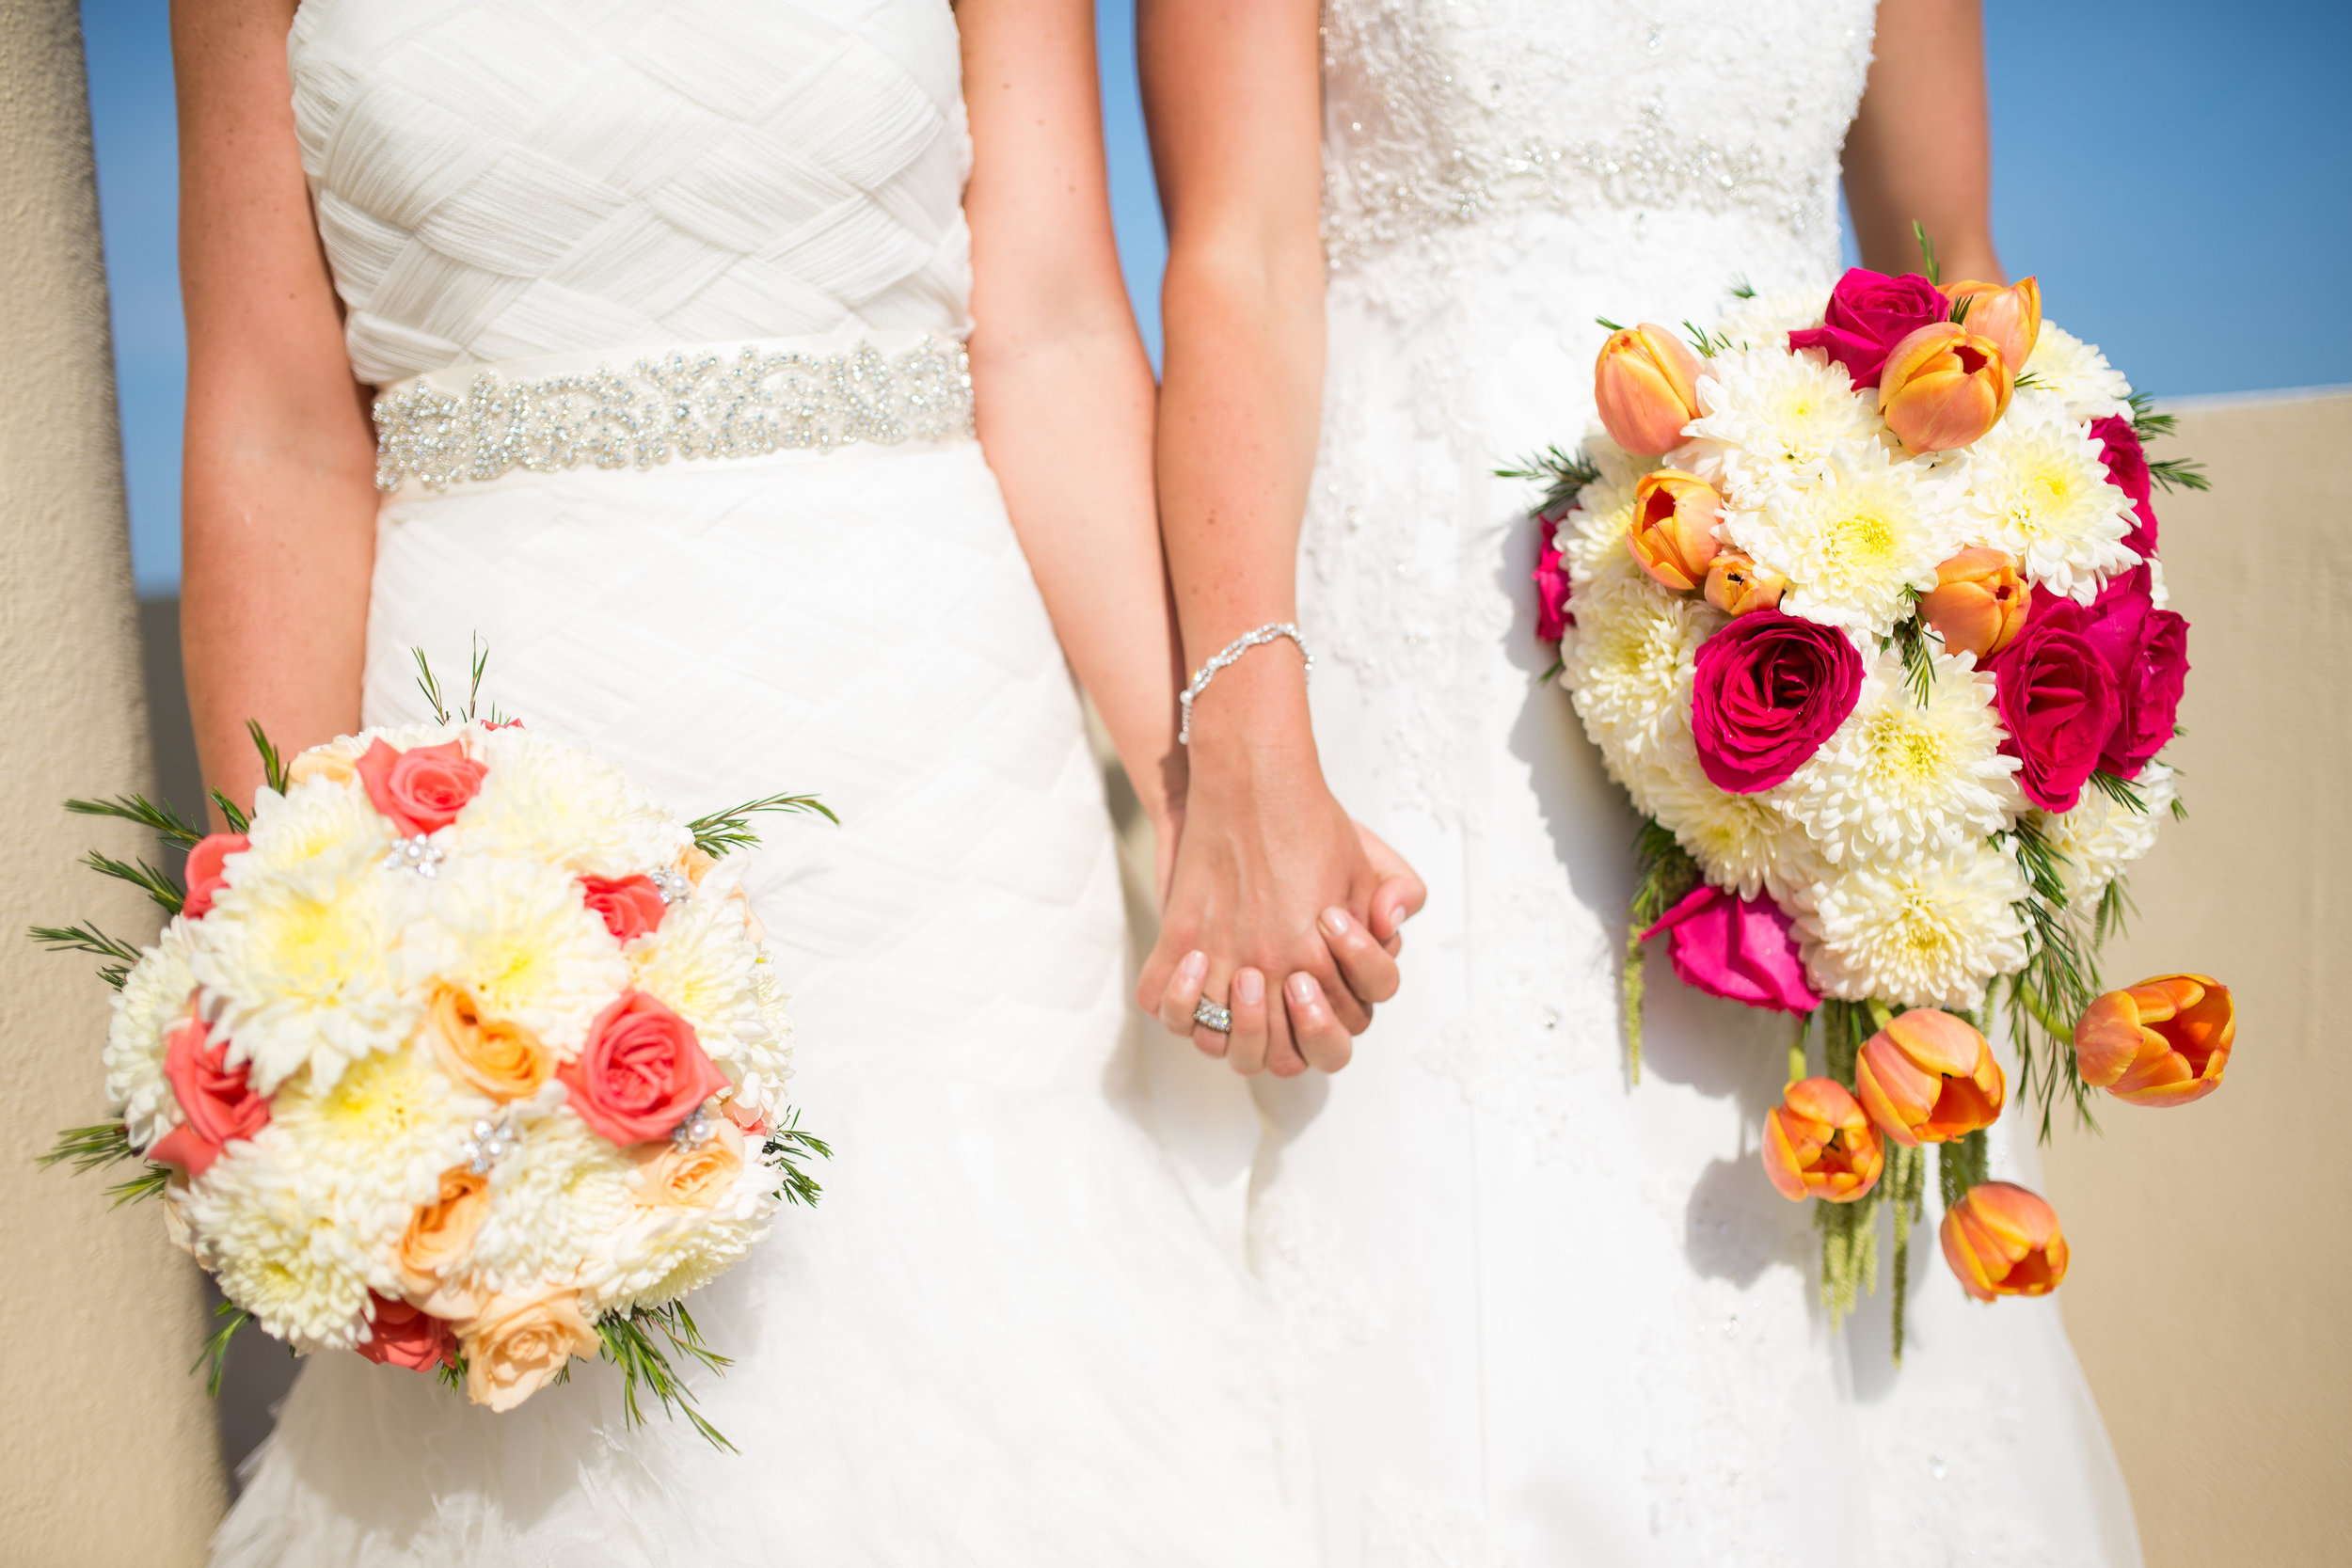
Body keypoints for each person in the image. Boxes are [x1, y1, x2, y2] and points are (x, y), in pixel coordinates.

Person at [177, 1, 1345, 1560]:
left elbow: (1053, 327)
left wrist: (1203, 796)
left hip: (931, 768)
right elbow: (273, 427)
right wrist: (283, 926)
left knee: (998, 1368)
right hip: (486, 768)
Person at [1136, 0, 2144, 1561]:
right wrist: (1247, 721)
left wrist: (1995, 647)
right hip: (1433, 621)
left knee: (1802, 1237)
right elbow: (1239, 255)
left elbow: (1956, 279)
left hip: (1818, 593)